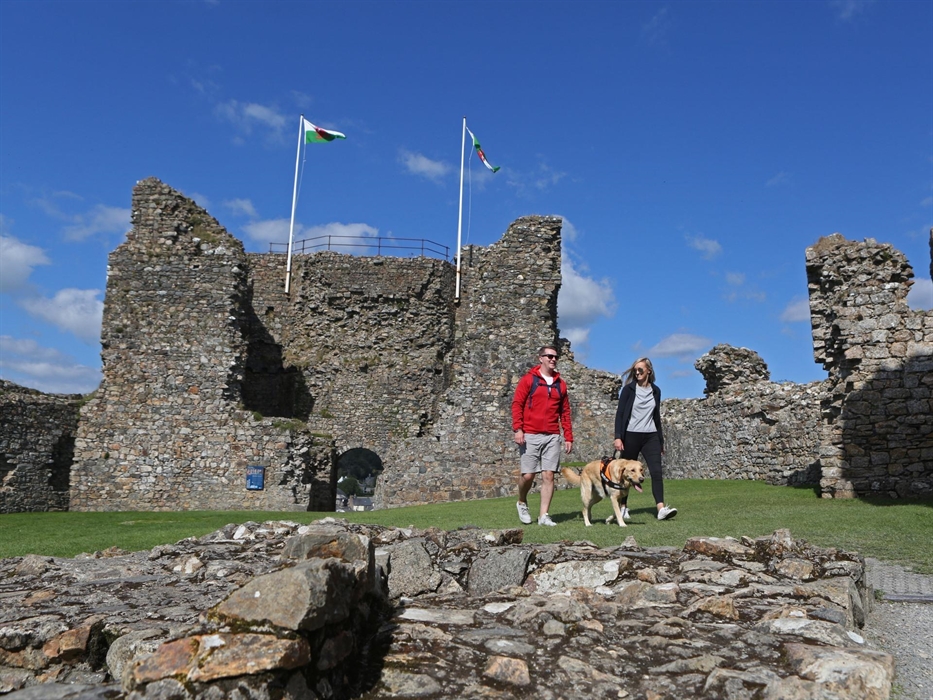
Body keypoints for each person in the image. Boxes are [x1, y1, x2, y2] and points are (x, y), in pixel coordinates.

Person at [511, 345, 573, 526]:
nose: (553, 359)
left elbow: (565, 412)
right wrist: (518, 429)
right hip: (530, 433)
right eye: (549, 356)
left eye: (555, 357)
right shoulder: (529, 380)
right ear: (540, 358)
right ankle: (521, 501)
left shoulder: (561, 384)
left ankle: (543, 515)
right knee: (528, 475)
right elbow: (517, 404)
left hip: (552, 435)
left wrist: (568, 436)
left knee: (548, 475)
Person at [613, 357, 677, 521]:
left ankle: (661, 509)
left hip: (651, 436)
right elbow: (620, 414)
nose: (637, 372)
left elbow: (656, 417)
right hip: (631, 435)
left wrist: (660, 441)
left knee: (656, 472)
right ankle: (623, 507)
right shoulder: (628, 390)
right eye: (635, 370)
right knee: (627, 474)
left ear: (649, 370)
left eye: (640, 369)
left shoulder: (656, 391)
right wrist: (618, 437)